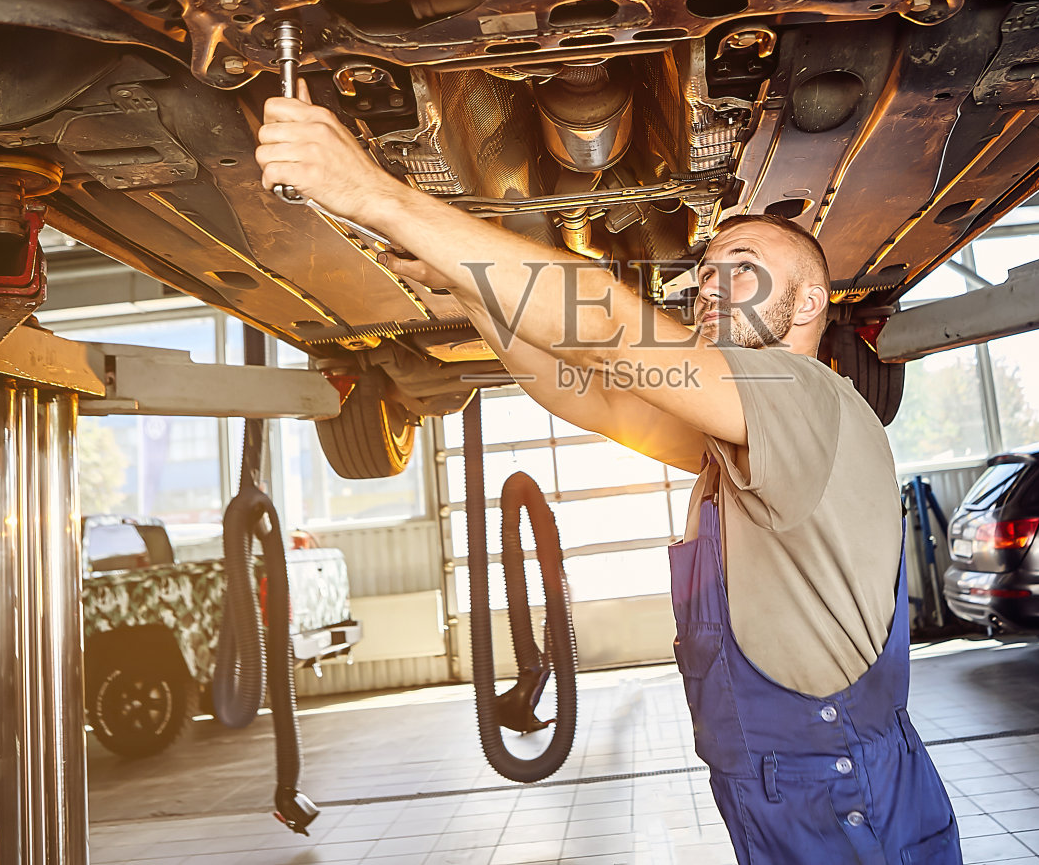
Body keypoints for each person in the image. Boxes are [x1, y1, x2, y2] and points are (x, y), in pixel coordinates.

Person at [255, 87, 959, 865]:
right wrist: (466, 287)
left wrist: (375, 194)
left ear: (810, 299)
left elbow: (603, 323)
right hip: (795, 793)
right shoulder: (743, 440)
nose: (708, 285)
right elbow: (581, 388)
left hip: (847, 799)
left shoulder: (803, 397)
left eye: (743, 267)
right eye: (707, 268)